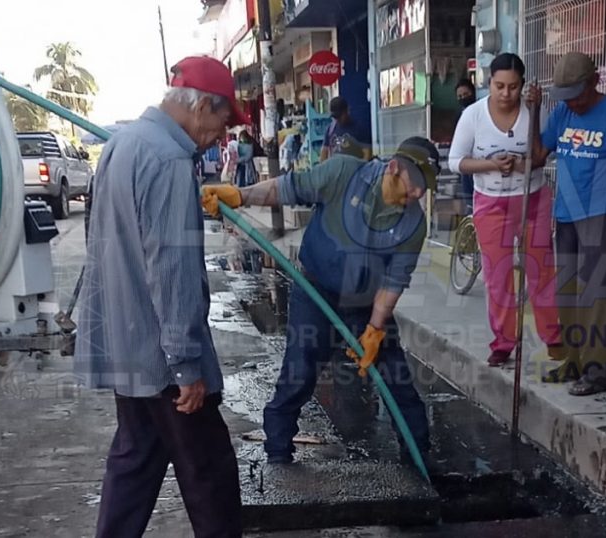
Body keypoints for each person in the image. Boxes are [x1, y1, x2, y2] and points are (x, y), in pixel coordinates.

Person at [75, 55, 246, 538]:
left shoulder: (122, 143)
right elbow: (172, 272)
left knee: (136, 460)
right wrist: (186, 364)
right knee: (209, 474)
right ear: (200, 107)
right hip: (163, 358)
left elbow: (99, 244)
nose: (222, 134)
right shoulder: (170, 162)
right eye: (223, 120)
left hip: (127, 345)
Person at [202, 137, 439, 465]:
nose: (418, 195)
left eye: (425, 188)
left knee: (396, 379)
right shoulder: (343, 173)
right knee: (299, 373)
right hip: (315, 291)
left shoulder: (414, 223)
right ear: (395, 168)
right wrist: (240, 195)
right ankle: (278, 454)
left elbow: (394, 281)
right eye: (415, 185)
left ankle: (419, 461)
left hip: (365, 304)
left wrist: (374, 329)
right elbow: (286, 189)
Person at [528, 51, 606, 396]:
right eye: (565, 97)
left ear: (595, 82)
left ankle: (598, 371)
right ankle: (574, 361)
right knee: (568, 294)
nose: (572, 104)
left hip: (601, 214)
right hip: (566, 215)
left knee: (597, 297)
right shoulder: (562, 112)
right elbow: (536, 157)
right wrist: (533, 112)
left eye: (577, 95)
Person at [449, 53, 561, 367]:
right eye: (500, 86)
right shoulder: (473, 116)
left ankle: (553, 337)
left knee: (541, 269)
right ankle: (503, 342)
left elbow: (541, 156)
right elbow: (456, 161)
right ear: (489, 83)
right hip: (491, 202)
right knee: (498, 275)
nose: (506, 93)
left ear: (522, 85)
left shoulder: (533, 111)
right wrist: (491, 164)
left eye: (513, 87)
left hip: (532, 199)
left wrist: (523, 162)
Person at [454, 77, 477, 212]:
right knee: (469, 203)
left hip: (479, 162)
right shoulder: (460, 116)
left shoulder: (480, 112)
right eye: (460, 96)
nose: (463, 98)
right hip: (465, 163)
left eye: (466, 94)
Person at [321, 96, 365, 161]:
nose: (337, 119)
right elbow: (324, 152)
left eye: (339, 116)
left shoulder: (358, 128)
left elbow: (367, 153)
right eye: (335, 117)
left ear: (347, 111)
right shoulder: (330, 129)